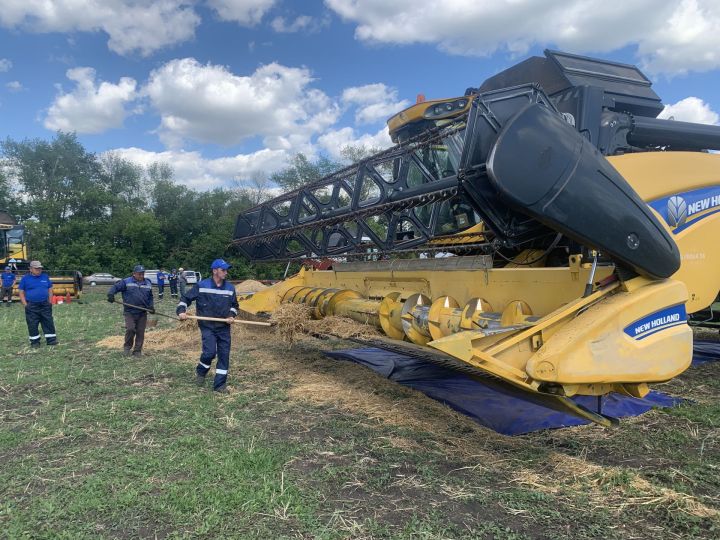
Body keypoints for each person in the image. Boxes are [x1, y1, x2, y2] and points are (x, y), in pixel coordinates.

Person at [177, 259, 238, 393]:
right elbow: (185, 299)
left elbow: (234, 306)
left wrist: (231, 315)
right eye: (223, 270)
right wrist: (181, 311)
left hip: (223, 327)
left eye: (226, 270)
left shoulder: (230, 288)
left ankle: (219, 385)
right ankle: (201, 371)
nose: (226, 273)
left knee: (224, 355)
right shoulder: (202, 285)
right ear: (215, 270)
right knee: (210, 353)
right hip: (207, 326)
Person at [107, 265, 154, 356]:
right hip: (130, 311)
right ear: (134, 274)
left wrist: (151, 306)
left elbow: (150, 297)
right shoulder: (126, 281)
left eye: (142, 274)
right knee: (130, 329)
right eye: (139, 274)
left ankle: (137, 351)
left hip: (142, 312)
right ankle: (127, 348)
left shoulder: (148, 283)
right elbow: (115, 287)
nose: (141, 276)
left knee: (140, 331)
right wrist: (111, 294)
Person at [18, 260, 57, 347]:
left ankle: (51, 340)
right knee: (32, 323)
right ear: (30, 269)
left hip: (45, 304)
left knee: (48, 321)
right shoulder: (25, 278)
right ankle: (35, 342)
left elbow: (50, 289)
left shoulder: (45, 277)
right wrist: (25, 304)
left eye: (40, 268)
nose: (39, 270)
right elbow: (21, 292)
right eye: (36, 269)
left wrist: (50, 302)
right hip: (31, 305)